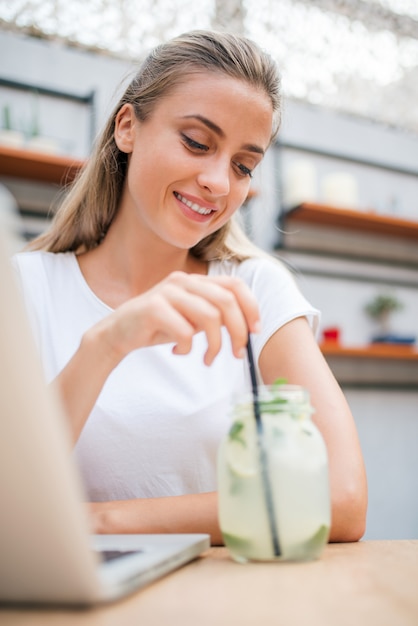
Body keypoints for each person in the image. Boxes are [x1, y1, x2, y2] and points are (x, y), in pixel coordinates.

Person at [13, 30, 367, 544]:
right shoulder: (26, 289)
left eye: (244, 165)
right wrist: (107, 343)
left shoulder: (256, 288)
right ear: (128, 127)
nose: (220, 183)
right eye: (197, 143)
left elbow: (342, 498)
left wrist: (100, 521)